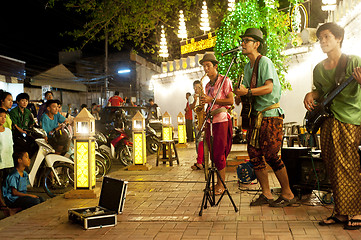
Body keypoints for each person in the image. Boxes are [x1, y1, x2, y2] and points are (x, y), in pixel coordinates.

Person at [304, 22, 361, 230]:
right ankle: (340, 212)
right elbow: (320, 92)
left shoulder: (353, 61)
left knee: (348, 165)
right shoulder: (319, 68)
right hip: (327, 121)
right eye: (320, 38)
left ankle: (356, 212)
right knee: (332, 167)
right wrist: (311, 94)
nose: (323, 42)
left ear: (338, 38)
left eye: (327, 37)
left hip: (349, 119)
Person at [234, 28, 295, 207]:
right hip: (255, 116)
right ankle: (266, 193)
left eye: (247, 40)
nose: (243, 44)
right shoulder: (247, 66)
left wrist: (248, 92)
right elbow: (245, 90)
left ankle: (288, 193)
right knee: (254, 155)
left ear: (257, 44)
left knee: (271, 155)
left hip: (269, 115)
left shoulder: (265, 61)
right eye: (242, 40)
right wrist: (239, 95)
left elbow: (269, 88)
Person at [199, 53, 234, 195]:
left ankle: (222, 184)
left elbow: (230, 101)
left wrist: (211, 99)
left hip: (221, 120)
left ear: (215, 66)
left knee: (219, 153)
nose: (206, 69)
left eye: (208, 66)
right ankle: (216, 182)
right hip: (210, 121)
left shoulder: (225, 81)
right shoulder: (207, 85)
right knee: (213, 154)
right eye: (204, 66)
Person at [0, 108, 14, 207]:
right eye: (0, 116)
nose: (3, 119)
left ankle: (6, 199)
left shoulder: (8, 131)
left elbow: (10, 145)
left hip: (8, 161)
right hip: (0, 162)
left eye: (4, 117)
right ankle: (1, 202)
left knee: (6, 182)